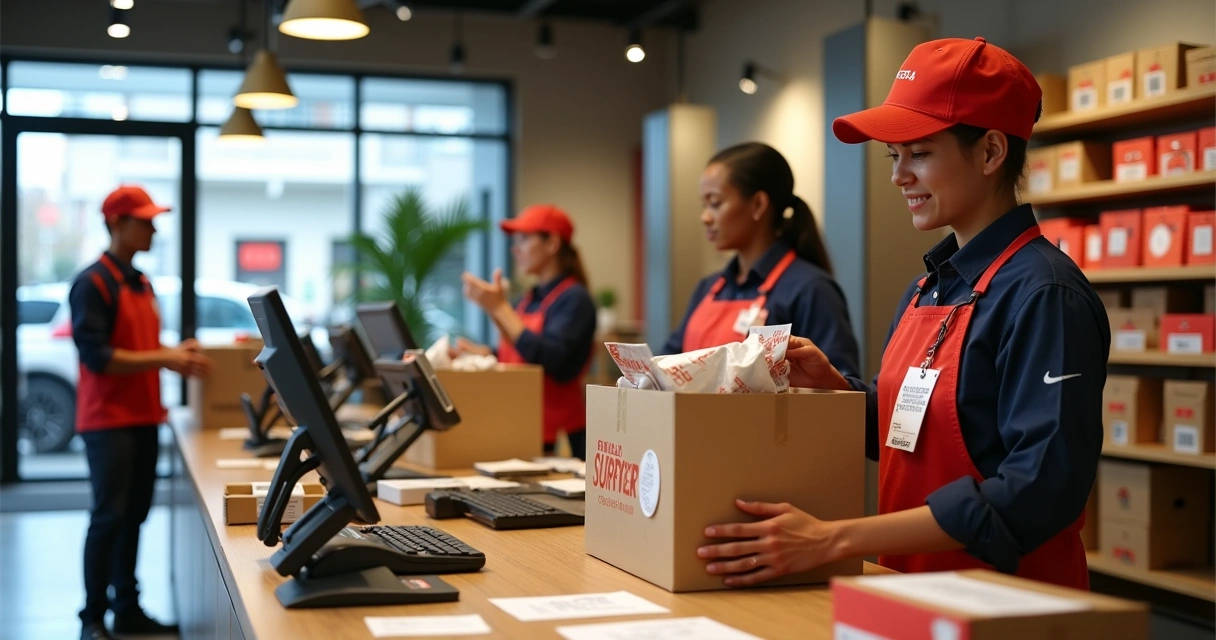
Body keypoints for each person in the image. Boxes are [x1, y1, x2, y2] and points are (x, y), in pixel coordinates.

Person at [697, 38, 1108, 590]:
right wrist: (840, 390)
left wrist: (835, 538)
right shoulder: (925, 288)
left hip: (1007, 608)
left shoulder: (1045, 295)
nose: (899, 176)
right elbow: (911, 435)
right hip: (911, 592)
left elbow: (1040, 488)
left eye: (920, 153)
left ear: (989, 153)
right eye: (895, 157)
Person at [70, 185, 213, 640]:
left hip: (144, 415)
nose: (153, 228)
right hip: (108, 420)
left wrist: (171, 351)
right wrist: (164, 357)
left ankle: (127, 609)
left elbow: (140, 348)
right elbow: (98, 356)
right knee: (108, 516)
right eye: (144, 220)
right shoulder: (91, 283)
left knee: (134, 515)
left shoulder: (143, 281)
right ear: (116, 223)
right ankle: (93, 618)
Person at [661, 142, 861, 380]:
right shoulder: (708, 288)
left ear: (758, 205)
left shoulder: (810, 289)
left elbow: (840, 390)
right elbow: (669, 364)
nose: (705, 217)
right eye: (703, 205)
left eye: (715, 203)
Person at [458, 205, 597, 460]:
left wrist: (499, 308)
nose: (516, 248)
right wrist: (483, 354)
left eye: (524, 239)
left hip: (556, 437)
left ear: (552, 243)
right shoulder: (529, 299)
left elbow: (552, 358)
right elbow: (518, 353)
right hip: (518, 425)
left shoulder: (575, 300)